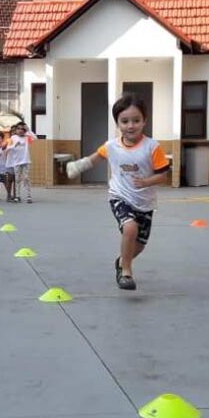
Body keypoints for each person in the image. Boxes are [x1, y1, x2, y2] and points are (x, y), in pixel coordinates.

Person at [65, 94, 171, 291]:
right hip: (120, 196)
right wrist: (77, 166)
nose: (131, 126)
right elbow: (95, 158)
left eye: (136, 120)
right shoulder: (111, 146)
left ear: (144, 121)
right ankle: (126, 272)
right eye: (125, 121)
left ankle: (122, 260)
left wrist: (147, 181)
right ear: (117, 123)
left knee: (139, 245)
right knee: (130, 228)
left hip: (145, 202)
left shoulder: (152, 147)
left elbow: (163, 175)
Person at [4, 122, 36, 203]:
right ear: (16, 130)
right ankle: (17, 196)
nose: (20, 130)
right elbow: (7, 148)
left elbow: (35, 138)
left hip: (26, 161)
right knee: (17, 179)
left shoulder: (27, 137)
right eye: (18, 129)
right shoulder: (13, 138)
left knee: (26, 178)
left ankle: (29, 196)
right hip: (16, 162)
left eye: (22, 129)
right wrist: (14, 146)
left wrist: (28, 130)